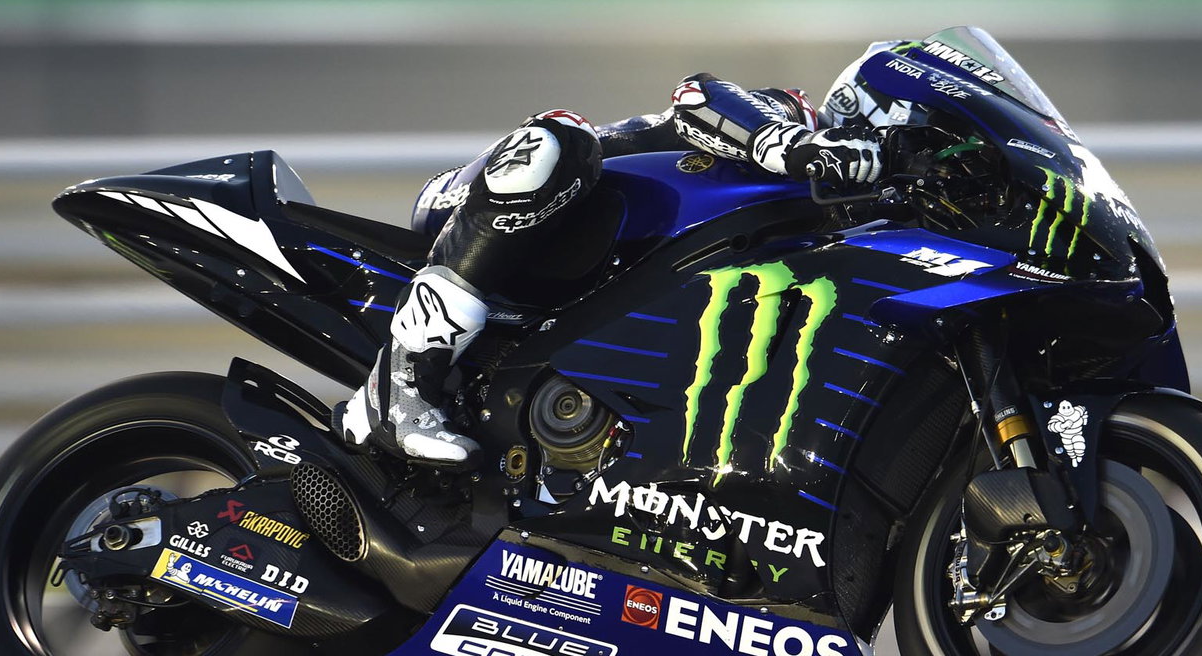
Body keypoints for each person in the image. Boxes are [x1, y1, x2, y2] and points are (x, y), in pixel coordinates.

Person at [333, 62, 897, 466]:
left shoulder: (858, 229)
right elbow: (697, 94)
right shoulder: (791, 115)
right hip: (491, 204)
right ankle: (397, 386)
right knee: (560, 137)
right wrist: (794, 144)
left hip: (588, 281)